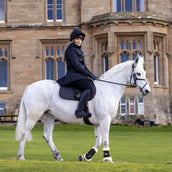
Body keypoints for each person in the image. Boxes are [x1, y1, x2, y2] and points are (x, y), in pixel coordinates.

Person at [57, 27, 98, 118]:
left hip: (79, 75)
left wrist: (91, 74)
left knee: (90, 84)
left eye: (80, 39)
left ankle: (85, 109)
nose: (79, 41)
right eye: (77, 39)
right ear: (73, 40)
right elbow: (77, 66)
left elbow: (84, 66)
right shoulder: (71, 50)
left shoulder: (78, 50)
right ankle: (79, 111)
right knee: (89, 88)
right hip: (74, 76)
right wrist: (89, 74)